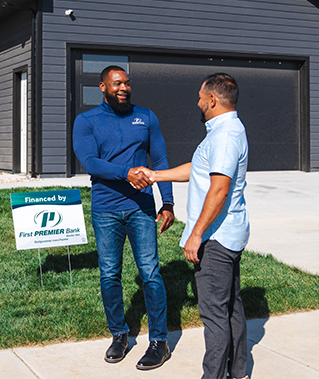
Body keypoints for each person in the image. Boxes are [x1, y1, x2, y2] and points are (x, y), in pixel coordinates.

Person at [137, 73, 250, 379]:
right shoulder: (224, 131)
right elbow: (199, 170)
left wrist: (196, 234)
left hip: (217, 238)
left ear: (212, 100)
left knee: (214, 314)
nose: (198, 102)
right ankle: (239, 372)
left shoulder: (225, 135)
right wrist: (156, 175)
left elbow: (219, 189)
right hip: (230, 233)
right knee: (230, 307)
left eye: (201, 97)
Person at [72, 65, 175, 370]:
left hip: (142, 208)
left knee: (150, 272)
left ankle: (159, 341)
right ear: (102, 87)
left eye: (127, 83)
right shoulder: (86, 120)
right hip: (106, 209)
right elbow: (90, 162)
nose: (124, 88)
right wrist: (126, 173)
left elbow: (159, 160)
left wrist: (167, 202)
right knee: (109, 274)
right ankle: (119, 335)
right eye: (117, 83)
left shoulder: (146, 117)